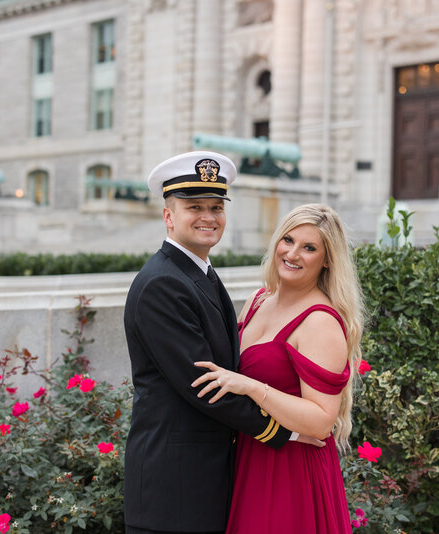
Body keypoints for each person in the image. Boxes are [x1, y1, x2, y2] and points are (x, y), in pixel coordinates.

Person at [123, 151, 303, 534]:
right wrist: (286, 430)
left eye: (216, 207)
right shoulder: (164, 284)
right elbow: (205, 384)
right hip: (174, 492)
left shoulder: (195, 272)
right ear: (169, 216)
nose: (209, 216)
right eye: (194, 207)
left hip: (199, 482)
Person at [192, 203, 364, 534]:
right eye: (288, 240)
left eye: (309, 247)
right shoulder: (259, 299)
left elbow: (321, 421)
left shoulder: (320, 321)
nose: (293, 253)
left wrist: (252, 387)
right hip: (250, 455)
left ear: (327, 260)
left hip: (290, 470)